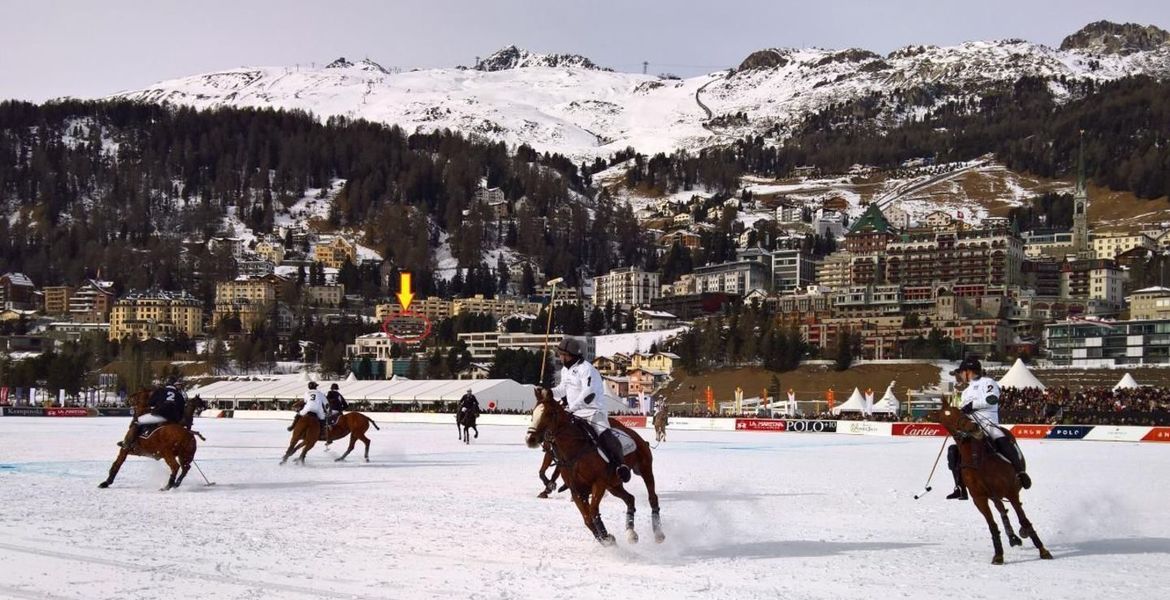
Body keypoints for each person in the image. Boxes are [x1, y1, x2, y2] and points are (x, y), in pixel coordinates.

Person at [946, 356, 1031, 500]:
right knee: (953, 450)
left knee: (1002, 439)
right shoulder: (965, 392)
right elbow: (963, 410)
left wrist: (973, 405)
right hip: (970, 427)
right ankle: (960, 487)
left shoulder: (988, 382)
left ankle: (1020, 473)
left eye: (961, 372)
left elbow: (993, 399)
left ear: (968, 371)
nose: (960, 375)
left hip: (988, 423)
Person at [551, 337, 630, 482]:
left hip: (593, 410)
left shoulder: (586, 368)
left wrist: (572, 408)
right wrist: (549, 392)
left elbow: (588, 393)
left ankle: (620, 465)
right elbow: (562, 389)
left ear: (570, 355)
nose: (560, 357)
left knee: (604, 434)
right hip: (574, 412)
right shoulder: (565, 370)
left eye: (561, 354)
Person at [119, 377, 188, 452]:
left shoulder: (161, 391)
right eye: (178, 385)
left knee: (138, 421)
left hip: (160, 415)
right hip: (174, 419)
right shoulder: (180, 395)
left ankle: (127, 444)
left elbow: (150, 402)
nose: (179, 386)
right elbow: (182, 410)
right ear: (173, 385)